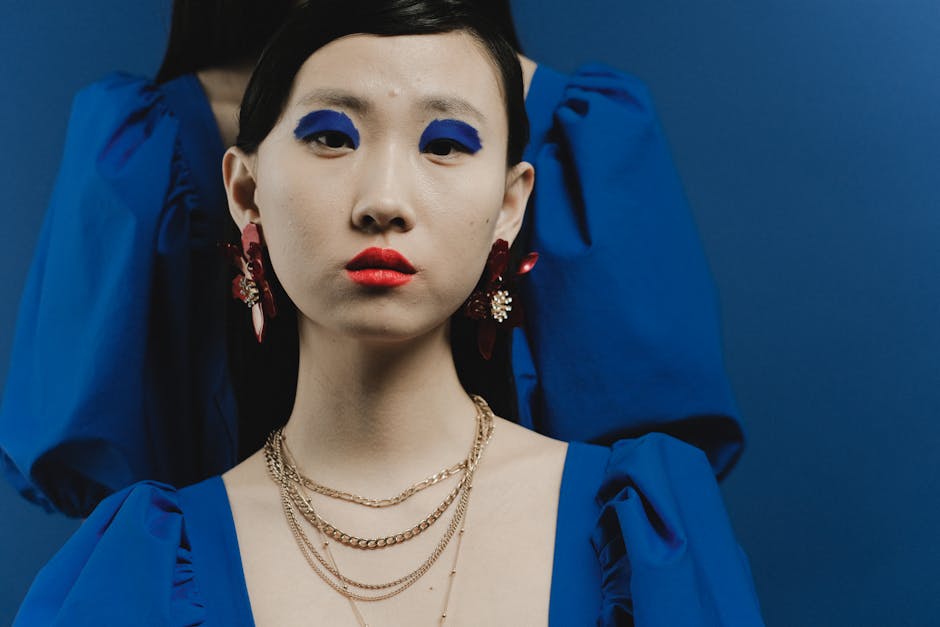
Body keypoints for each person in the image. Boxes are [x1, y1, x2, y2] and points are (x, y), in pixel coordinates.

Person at [13, 2, 764, 625]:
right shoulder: (136, 562)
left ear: (513, 202)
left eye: (445, 144)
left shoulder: (639, 526)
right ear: (244, 191)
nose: (384, 201)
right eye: (333, 138)